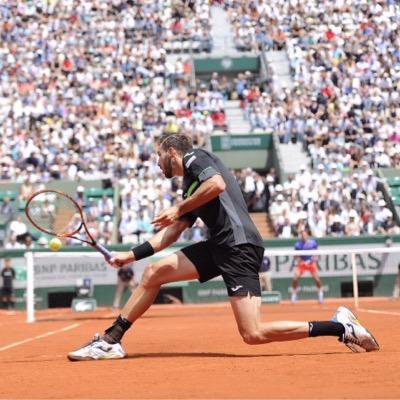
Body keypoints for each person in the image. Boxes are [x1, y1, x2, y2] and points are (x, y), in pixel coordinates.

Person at [68, 133, 379, 361]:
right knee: (153, 272)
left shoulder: (195, 158)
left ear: (172, 152)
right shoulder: (188, 186)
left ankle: (339, 328)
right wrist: (130, 255)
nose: (156, 161)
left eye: (158, 154)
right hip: (219, 245)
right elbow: (172, 234)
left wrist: (178, 208)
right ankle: (112, 339)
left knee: (252, 334)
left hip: (239, 246)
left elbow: (215, 184)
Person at [290, 229, 324, 304]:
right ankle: (294, 294)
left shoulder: (313, 243)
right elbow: (296, 256)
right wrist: (301, 261)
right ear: (301, 236)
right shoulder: (297, 245)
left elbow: (317, 254)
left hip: (311, 263)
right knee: (295, 278)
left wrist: (313, 258)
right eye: (302, 235)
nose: (304, 236)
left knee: (317, 279)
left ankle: (320, 294)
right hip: (302, 264)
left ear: (307, 235)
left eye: (305, 235)